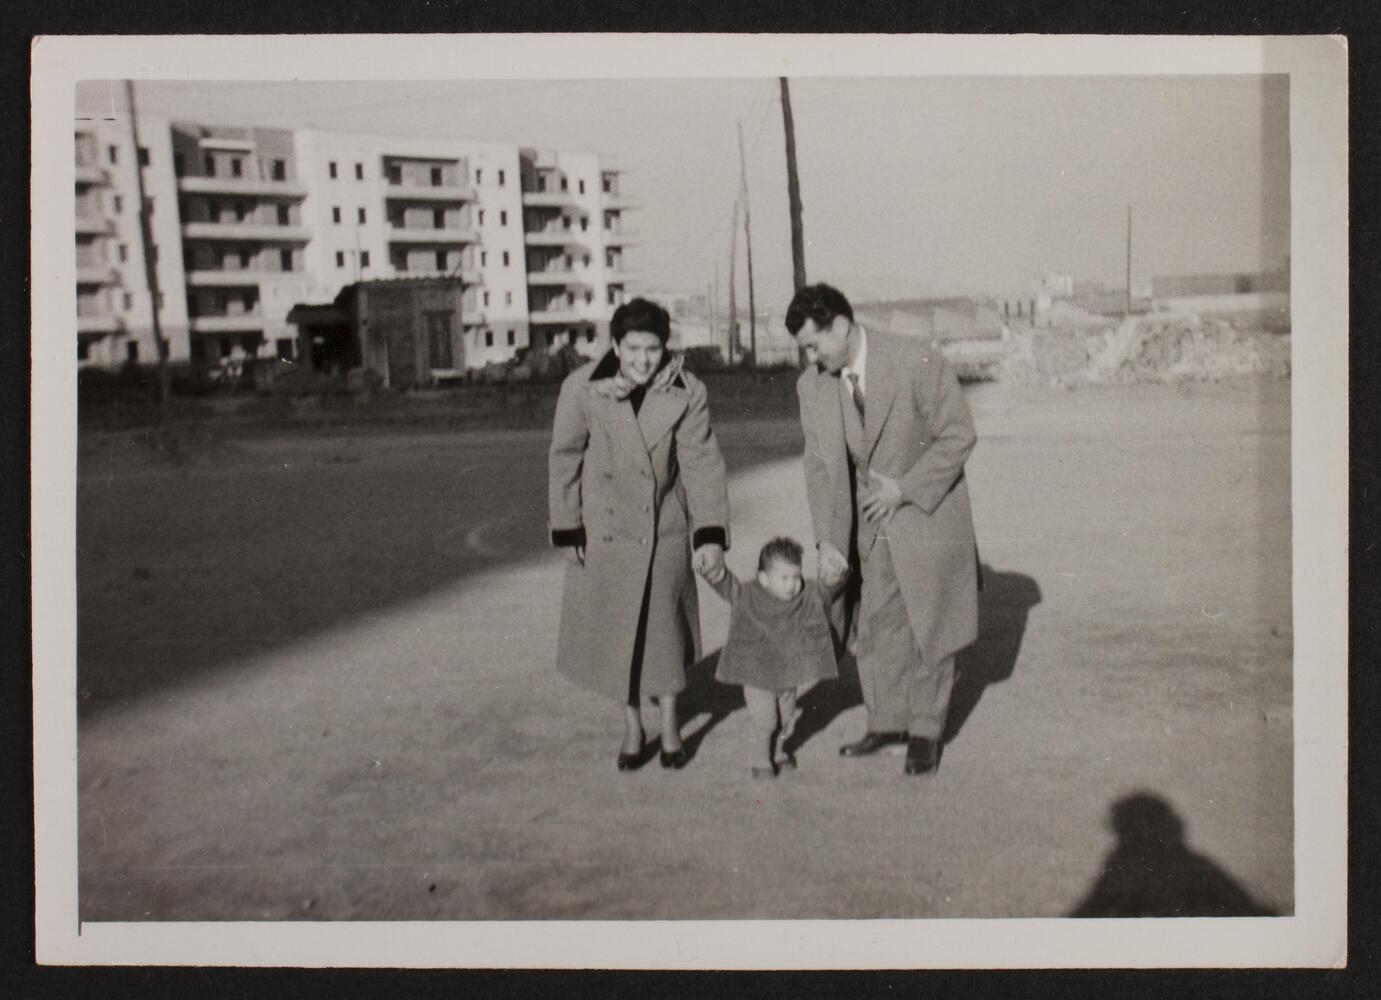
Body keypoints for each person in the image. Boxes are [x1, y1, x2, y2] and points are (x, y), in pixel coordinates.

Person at [785, 283, 979, 776]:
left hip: (928, 511)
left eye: (814, 345)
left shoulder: (916, 359)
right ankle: (887, 722)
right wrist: (828, 540)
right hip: (870, 524)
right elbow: (820, 467)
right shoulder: (813, 385)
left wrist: (906, 488)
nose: (810, 358)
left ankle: (925, 731)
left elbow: (958, 435)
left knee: (930, 624)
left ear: (841, 327)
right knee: (877, 623)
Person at [548, 298, 730, 771]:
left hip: (663, 528)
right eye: (632, 349)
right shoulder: (582, 389)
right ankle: (632, 726)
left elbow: (701, 463)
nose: (643, 360)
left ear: (664, 347)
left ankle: (669, 725)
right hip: (605, 532)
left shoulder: (687, 390)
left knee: (665, 634)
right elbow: (565, 458)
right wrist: (568, 526)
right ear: (615, 346)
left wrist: (709, 533)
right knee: (617, 637)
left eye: (652, 349)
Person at [698, 537, 840, 779]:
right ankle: (760, 759)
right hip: (757, 674)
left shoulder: (805, 594)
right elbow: (728, 586)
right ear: (763, 578)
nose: (792, 585)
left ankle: (778, 752)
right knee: (766, 720)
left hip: (788, 674)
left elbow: (825, 592)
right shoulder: (749, 595)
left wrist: (833, 575)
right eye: (784, 578)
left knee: (785, 717)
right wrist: (713, 571)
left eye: (796, 577)